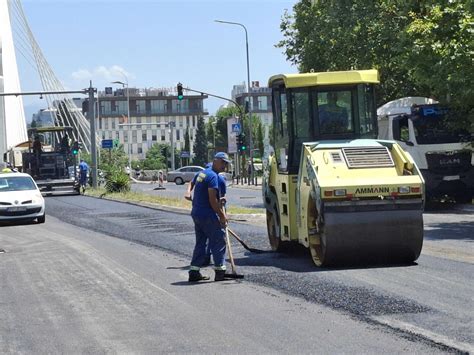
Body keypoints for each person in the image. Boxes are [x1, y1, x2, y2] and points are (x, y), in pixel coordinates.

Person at [188, 152, 230, 282]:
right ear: (215, 161)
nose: (224, 166)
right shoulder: (213, 176)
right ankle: (220, 272)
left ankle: (194, 271)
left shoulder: (203, 173)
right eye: (223, 162)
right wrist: (222, 215)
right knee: (218, 241)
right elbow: (212, 200)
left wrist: (220, 200)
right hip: (207, 215)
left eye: (226, 163)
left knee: (201, 243)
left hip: (197, 213)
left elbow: (208, 195)